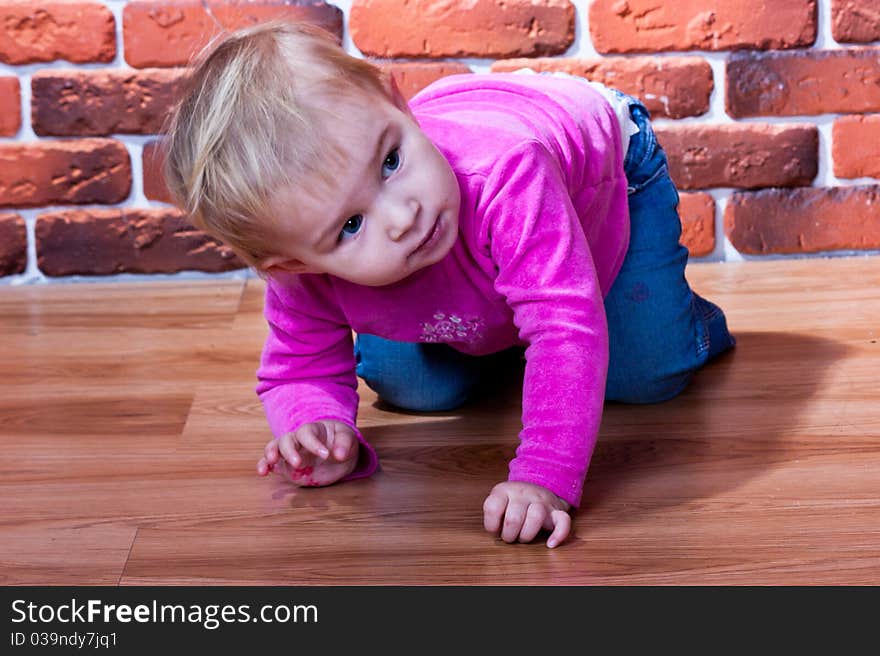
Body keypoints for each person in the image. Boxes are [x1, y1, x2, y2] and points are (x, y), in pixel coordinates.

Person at [163, 21, 735, 549]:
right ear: (293, 265)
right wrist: (317, 428)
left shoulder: (509, 173)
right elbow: (299, 365)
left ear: (395, 103)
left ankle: (683, 321)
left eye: (389, 161)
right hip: (490, 252)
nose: (403, 214)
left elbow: (566, 328)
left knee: (646, 370)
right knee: (412, 389)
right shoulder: (303, 265)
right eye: (351, 226)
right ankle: (510, 322)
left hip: (600, 166)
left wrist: (542, 478)